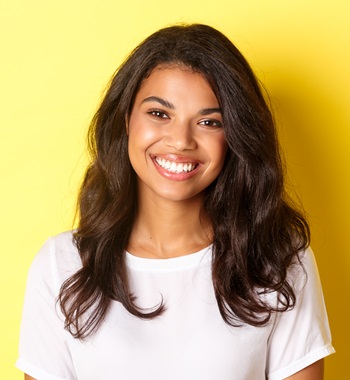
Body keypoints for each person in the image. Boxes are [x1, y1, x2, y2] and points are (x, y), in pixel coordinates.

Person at [16, 24, 334, 380]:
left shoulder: (279, 261)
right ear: (126, 121)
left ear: (235, 137)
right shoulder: (61, 266)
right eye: (159, 114)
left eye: (210, 121)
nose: (181, 140)